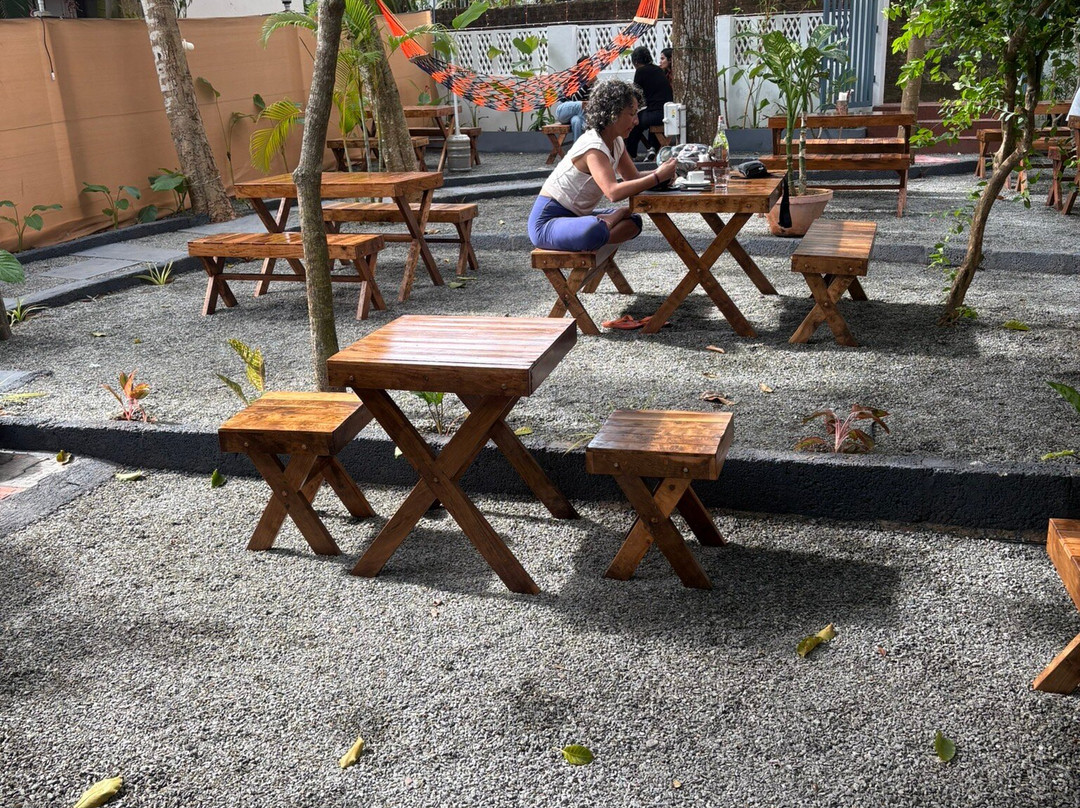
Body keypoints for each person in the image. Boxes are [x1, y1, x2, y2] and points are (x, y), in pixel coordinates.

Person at [529, 79, 677, 255]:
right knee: (594, 230)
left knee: (634, 222)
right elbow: (613, 193)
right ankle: (607, 224)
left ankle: (602, 231)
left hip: (577, 219)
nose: (636, 121)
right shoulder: (594, 146)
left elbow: (633, 178)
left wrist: (664, 172)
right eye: (631, 114)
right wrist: (657, 177)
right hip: (548, 222)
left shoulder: (616, 141)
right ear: (613, 113)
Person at [626, 45, 673, 160]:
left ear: (636, 62)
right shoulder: (658, 70)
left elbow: (636, 95)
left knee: (634, 123)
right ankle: (652, 148)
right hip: (667, 112)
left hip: (657, 114)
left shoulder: (641, 71)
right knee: (645, 117)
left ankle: (630, 154)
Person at [553, 56, 592, 142]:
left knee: (576, 121)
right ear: (578, 68)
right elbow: (574, 98)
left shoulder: (592, 82)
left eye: (588, 66)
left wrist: (595, 84)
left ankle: (578, 147)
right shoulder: (572, 80)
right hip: (563, 111)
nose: (586, 69)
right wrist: (587, 84)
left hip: (580, 114)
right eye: (583, 66)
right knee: (583, 104)